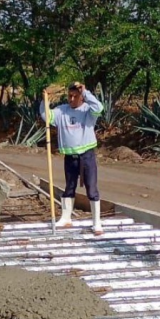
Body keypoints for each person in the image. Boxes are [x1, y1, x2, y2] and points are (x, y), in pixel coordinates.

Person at [39, 82, 105, 234]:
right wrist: (45, 100)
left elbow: (99, 108)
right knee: (69, 187)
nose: (72, 99)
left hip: (87, 155)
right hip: (70, 156)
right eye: (70, 96)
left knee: (91, 188)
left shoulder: (88, 110)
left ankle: (96, 222)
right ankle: (66, 217)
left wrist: (86, 91)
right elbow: (46, 116)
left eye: (76, 96)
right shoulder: (62, 111)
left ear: (81, 97)